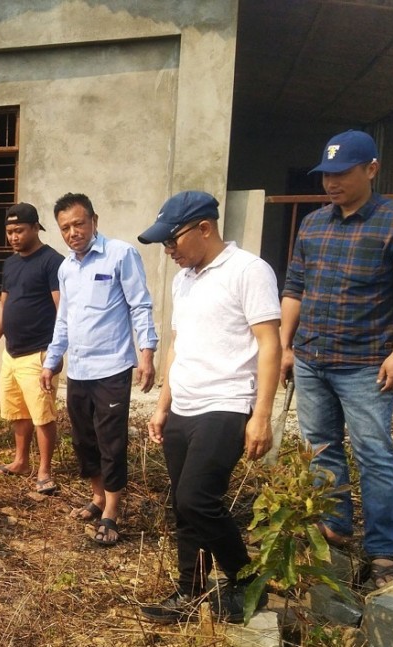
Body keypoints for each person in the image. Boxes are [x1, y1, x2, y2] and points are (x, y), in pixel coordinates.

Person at [280, 130, 393, 589]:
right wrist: (287, 347)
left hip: (367, 364)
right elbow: (295, 288)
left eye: (342, 173)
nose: (332, 183)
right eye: (327, 174)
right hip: (312, 359)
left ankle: (383, 551)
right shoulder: (313, 224)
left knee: (374, 454)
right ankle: (336, 526)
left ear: (371, 169)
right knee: (321, 447)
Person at [136, 191, 280, 624]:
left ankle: (246, 579)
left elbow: (270, 343)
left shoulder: (249, 271)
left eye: (172, 241)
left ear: (205, 228)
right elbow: (179, 346)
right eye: (163, 245)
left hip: (228, 404)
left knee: (197, 498)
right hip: (184, 406)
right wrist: (163, 404)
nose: (169, 252)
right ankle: (191, 591)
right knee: (183, 507)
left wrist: (262, 415)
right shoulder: (184, 280)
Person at [40, 192, 158, 546]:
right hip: (79, 370)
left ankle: (112, 511)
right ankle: (97, 497)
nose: (73, 232)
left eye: (79, 223)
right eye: (65, 228)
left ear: (94, 220)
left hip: (112, 368)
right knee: (84, 440)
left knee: (110, 440)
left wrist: (147, 353)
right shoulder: (66, 268)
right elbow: (64, 320)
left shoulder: (120, 254)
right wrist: (51, 362)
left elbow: (140, 305)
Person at [0, 202, 65, 495]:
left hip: (39, 353)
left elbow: (61, 309)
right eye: (9, 232)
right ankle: (20, 462)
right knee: (18, 411)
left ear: (35, 228)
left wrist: (55, 355)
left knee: (42, 414)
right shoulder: (11, 263)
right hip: (12, 353)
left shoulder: (52, 261)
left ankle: (44, 471)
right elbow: (4, 306)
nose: (14, 237)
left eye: (19, 231)